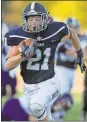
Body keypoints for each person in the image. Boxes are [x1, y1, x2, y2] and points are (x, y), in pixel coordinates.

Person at [5, 2, 86, 121]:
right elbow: (8, 65)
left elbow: (72, 34)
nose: (34, 22)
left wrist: (80, 55)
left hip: (49, 82)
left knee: (37, 107)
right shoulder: (18, 36)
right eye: (30, 19)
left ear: (45, 19)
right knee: (38, 110)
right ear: (25, 20)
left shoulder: (55, 30)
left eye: (38, 18)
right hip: (29, 88)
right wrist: (23, 55)